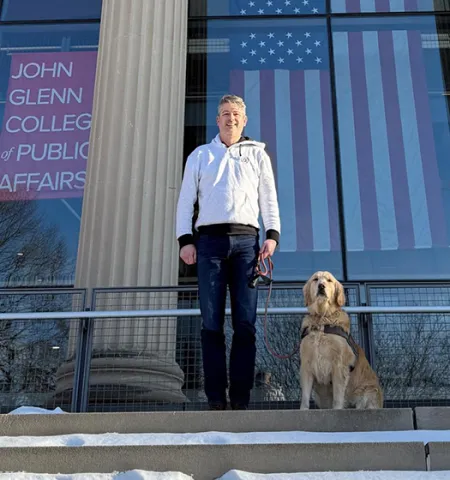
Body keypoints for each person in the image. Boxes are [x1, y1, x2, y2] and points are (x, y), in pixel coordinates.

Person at [176, 94, 281, 410]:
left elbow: (269, 198)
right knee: (211, 324)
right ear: (217, 120)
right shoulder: (200, 155)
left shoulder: (257, 155)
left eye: (236, 113)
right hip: (209, 245)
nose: (230, 118)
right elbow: (185, 201)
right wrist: (185, 240)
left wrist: (272, 235)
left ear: (244, 120)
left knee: (245, 324)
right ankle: (215, 397)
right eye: (224, 113)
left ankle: (240, 397)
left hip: (247, 245)